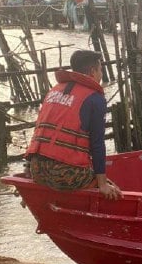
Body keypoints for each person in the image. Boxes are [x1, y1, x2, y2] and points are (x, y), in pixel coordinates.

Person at [25, 49, 122, 199]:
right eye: (100, 70)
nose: (101, 75)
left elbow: (39, 135)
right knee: (113, 188)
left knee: (93, 175)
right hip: (64, 174)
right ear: (92, 71)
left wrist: (28, 174)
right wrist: (102, 184)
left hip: (36, 170)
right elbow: (97, 144)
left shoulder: (54, 91)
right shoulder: (94, 98)